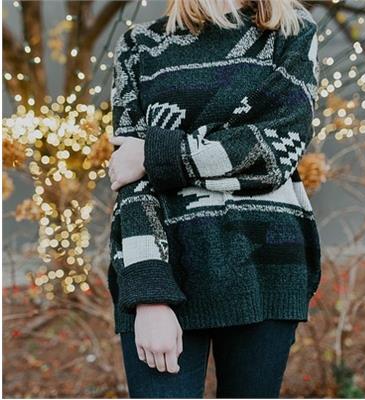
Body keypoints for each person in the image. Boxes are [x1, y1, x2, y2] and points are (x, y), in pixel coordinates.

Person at [107, 0, 322, 397]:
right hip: (166, 265)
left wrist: (156, 154)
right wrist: (149, 293)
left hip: (265, 264)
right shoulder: (139, 44)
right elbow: (128, 176)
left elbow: (277, 151)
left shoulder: (291, 32)